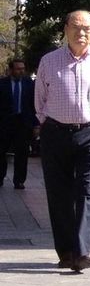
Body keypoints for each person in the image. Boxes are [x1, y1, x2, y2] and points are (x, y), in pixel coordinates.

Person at [35, 10, 90, 272]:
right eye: (76, 26)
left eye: (87, 28)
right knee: (58, 194)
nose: (81, 33)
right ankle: (66, 252)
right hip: (56, 133)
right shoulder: (48, 61)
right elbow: (40, 100)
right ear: (65, 29)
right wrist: (47, 124)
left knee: (87, 192)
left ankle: (83, 252)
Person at [0, 57, 38, 190]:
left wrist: (36, 124)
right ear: (11, 70)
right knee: (1, 151)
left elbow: (34, 105)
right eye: (18, 69)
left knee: (22, 153)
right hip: (5, 123)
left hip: (23, 123)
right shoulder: (2, 84)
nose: (21, 71)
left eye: (23, 69)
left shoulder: (29, 84)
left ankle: (19, 180)